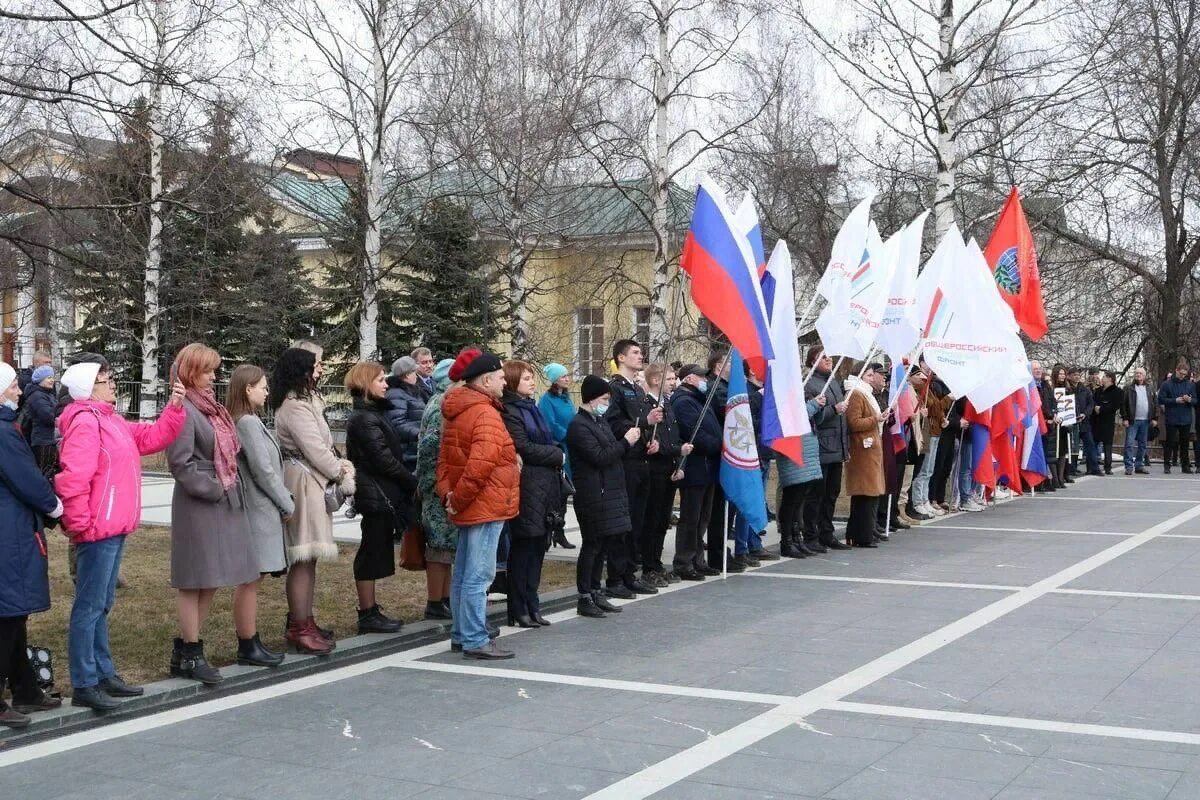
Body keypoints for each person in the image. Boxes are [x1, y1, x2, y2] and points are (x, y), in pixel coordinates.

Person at [56, 360, 185, 711]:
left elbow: (152, 437)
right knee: (89, 606)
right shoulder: (86, 422)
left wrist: (174, 409)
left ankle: (103, 673)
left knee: (102, 604)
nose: (113, 384)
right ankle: (85, 681)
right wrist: (79, 523)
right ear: (88, 387)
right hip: (97, 529)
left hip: (111, 527)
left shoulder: (109, 420)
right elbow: (73, 478)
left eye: (112, 377)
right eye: (106, 379)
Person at [167, 344, 263, 685]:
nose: (213, 375)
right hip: (199, 504)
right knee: (194, 580)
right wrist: (215, 488)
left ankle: (187, 650)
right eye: (207, 370)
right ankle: (190, 652)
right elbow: (180, 463)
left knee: (208, 579)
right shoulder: (184, 409)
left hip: (219, 499)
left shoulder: (211, 408)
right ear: (191, 372)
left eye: (214, 369)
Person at [436, 349, 520, 660]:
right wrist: (457, 499)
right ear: (484, 381)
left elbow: (443, 461)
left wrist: (449, 497)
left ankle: (462, 633)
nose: (504, 383)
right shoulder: (485, 413)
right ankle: (474, 638)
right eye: (500, 378)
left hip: (469, 503)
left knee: (463, 573)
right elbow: (480, 466)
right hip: (484, 504)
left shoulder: (459, 409)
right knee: (479, 575)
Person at [272, 345, 355, 655]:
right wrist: (341, 473)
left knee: (310, 558)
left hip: (311, 480)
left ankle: (304, 619)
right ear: (301, 370)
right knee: (303, 555)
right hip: (304, 481)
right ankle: (298, 625)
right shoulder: (295, 406)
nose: (320, 369)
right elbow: (315, 450)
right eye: (316, 365)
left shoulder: (305, 401)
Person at [0, 362, 63, 729]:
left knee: (14, 612)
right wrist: (55, 504)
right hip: (9, 535)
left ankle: (25, 687)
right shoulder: (4, 433)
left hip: (12, 529)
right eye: (12, 388)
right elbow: (26, 479)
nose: (19, 392)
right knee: (8, 614)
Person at [225, 364, 290, 668]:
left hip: (258, 506)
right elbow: (263, 470)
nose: (266, 391)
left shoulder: (248, 420)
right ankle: (248, 642)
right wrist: (286, 503)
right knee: (251, 577)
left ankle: (250, 640)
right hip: (257, 508)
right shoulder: (247, 423)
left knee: (254, 577)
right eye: (262, 386)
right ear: (247, 389)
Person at [345, 361, 412, 634]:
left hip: (382, 490)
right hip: (375, 492)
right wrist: (410, 480)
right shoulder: (364, 418)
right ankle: (367, 612)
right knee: (371, 552)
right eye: (381, 380)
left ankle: (371, 609)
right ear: (365, 384)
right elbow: (382, 458)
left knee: (377, 550)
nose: (387, 384)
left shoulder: (374, 413)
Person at [500, 360, 564, 628]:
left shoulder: (531, 407)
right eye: (526, 378)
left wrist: (554, 450)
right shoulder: (510, 410)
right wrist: (557, 454)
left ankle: (532, 602)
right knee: (524, 546)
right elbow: (523, 447)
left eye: (531, 377)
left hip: (545, 486)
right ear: (513, 381)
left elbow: (545, 440)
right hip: (526, 485)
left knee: (539, 545)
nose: (531, 381)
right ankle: (518, 606)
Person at [568, 375, 637, 617]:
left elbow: (611, 452)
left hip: (609, 492)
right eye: (605, 398)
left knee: (604, 545)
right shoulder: (579, 425)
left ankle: (597, 590)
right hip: (593, 493)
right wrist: (625, 443)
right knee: (592, 544)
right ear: (592, 398)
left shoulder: (599, 421)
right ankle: (584, 595)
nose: (607, 403)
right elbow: (600, 456)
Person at [603, 339, 661, 598]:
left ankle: (630, 573)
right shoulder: (614, 388)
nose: (641, 356)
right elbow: (613, 422)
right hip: (625, 462)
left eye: (641, 352)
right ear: (621, 358)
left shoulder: (636, 389)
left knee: (638, 521)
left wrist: (650, 439)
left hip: (641, 460)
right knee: (623, 523)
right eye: (635, 353)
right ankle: (616, 578)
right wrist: (642, 422)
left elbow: (643, 425)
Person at [670, 364, 723, 579]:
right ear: (690, 378)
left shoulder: (699, 399)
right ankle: (684, 562)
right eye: (702, 377)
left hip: (707, 466)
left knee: (703, 517)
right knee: (691, 517)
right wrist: (718, 445)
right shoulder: (683, 402)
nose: (706, 382)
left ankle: (697, 559)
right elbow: (695, 433)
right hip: (694, 466)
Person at [415, 358, 457, 620]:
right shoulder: (440, 405)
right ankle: (435, 600)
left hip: (440, 482)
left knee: (447, 547)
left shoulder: (442, 401)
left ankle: (444, 597)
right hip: (435, 485)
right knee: (438, 546)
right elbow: (429, 446)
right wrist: (430, 481)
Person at [642, 363, 686, 583]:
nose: (674, 383)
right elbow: (652, 441)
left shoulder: (667, 403)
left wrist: (679, 463)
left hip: (669, 468)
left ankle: (656, 562)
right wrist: (675, 450)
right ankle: (648, 564)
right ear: (656, 381)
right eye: (669, 379)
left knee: (662, 519)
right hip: (654, 470)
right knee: (652, 518)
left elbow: (673, 436)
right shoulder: (646, 405)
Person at [804, 347, 852, 552]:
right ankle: (811, 534)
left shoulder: (832, 381)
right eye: (823, 357)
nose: (829, 359)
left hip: (836, 447)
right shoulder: (809, 384)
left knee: (832, 493)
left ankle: (827, 533)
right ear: (813, 360)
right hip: (821, 446)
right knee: (816, 494)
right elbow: (812, 417)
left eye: (829, 356)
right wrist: (834, 409)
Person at [776, 391, 827, 558]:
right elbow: (794, 419)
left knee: (799, 501)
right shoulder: (785, 398)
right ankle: (787, 541)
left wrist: (819, 407)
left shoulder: (803, 397)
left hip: (807, 456)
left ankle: (797, 538)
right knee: (791, 501)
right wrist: (813, 405)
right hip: (794, 455)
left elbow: (813, 421)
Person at [844, 364, 886, 547]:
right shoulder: (856, 394)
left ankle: (866, 531)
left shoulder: (864, 394)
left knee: (870, 493)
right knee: (865, 493)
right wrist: (875, 419)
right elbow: (853, 423)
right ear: (859, 376)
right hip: (861, 450)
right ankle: (861, 534)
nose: (871, 378)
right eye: (868, 375)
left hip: (869, 449)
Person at [537, 362, 576, 550]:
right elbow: (549, 425)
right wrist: (567, 435)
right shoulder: (546, 400)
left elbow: (573, 418)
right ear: (554, 380)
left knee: (565, 491)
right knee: (556, 493)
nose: (567, 379)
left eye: (567, 375)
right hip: (558, 448)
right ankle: (550, 531)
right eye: (562, 376)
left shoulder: (567, 399)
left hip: (571, 447)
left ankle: (560, 532)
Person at [385, 355, 426, 472]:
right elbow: (397, 423)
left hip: (414, 450)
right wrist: (419, 434)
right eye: (414, 372)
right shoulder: (396, 394)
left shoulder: (411, 391)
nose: (416, 376)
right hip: (407, 453)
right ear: (407, 374)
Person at [1157, 361, 1195, 474]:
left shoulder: (1190, 385)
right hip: (1172, 417)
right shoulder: (1166, 384)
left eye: (1185, 374)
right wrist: (1175, 400)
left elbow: (1196, 400)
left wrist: (1190, 400)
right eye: (1181, 373)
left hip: (1186, 418)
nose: (1182, 376)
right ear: (1176, 371)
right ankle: (1167, 465)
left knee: (1184, 444)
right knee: (1170, 443)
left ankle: (1185, 466)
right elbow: (1160, 399)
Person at [23, 365, 58, 475]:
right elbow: (48, 416)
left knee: (49, 470)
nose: (52, 380)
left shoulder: (47, 394)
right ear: (40, 379)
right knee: (45, 472)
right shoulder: (37, 396)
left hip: (49, 439)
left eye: (52, 377)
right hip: (43, 440)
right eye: (48, 377)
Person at [1069, 366, 1103, 476]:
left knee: (1090, 445)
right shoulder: (1066, 389)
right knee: (1073, 446)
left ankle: (1094, 468)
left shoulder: (1085, 389)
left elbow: (1090, 404)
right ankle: (1072, 468)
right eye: (1074, 375)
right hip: (1071, 422)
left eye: (1078, 375)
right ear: (1070, 376)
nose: (1077, 377)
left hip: (1084, 422)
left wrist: (1085, 414)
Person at [1092, 371, 1122, 475]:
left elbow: (1115, 406)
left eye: (1104, 376)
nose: (1102, 378)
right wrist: (1095, 407)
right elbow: (1093, 401)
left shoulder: (1117, 391)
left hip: (1108, 421)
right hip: (1096, 420)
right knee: (1094, 444)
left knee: (1107, 444)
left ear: (1110, 379)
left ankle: (1108, 467)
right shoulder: (1098, 390)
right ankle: (1092, 466)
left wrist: (1102, 408)